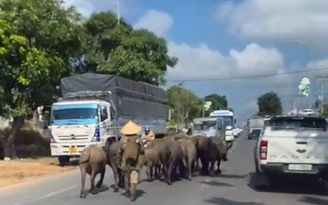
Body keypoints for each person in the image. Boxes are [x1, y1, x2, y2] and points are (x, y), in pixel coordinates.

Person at [116, 120, 145, 201]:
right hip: (136, 163)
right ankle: (133, 195)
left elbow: (119, 151)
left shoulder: (123, 139)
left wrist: (118, 161)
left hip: (125, 162)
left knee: (126, 177)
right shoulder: (138, 139)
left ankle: (127, 191)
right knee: (134, 179)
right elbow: (143, 151)